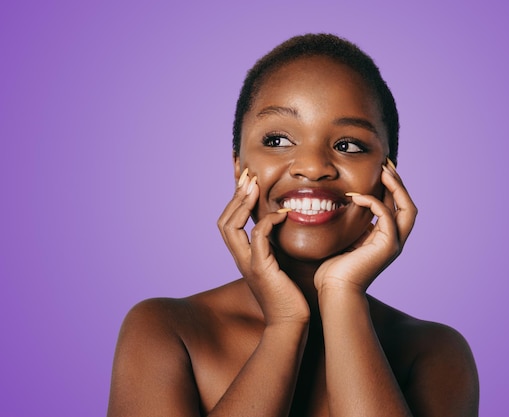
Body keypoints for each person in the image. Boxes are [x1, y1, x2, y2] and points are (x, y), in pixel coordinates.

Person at [107, 33, 479, 417]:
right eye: (279, 139)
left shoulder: (434, 352)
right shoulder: (166, 330)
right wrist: (285, 325)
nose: (313, 167)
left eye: (349, 145)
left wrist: (342, 294)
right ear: (238, 166)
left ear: (389, 175)